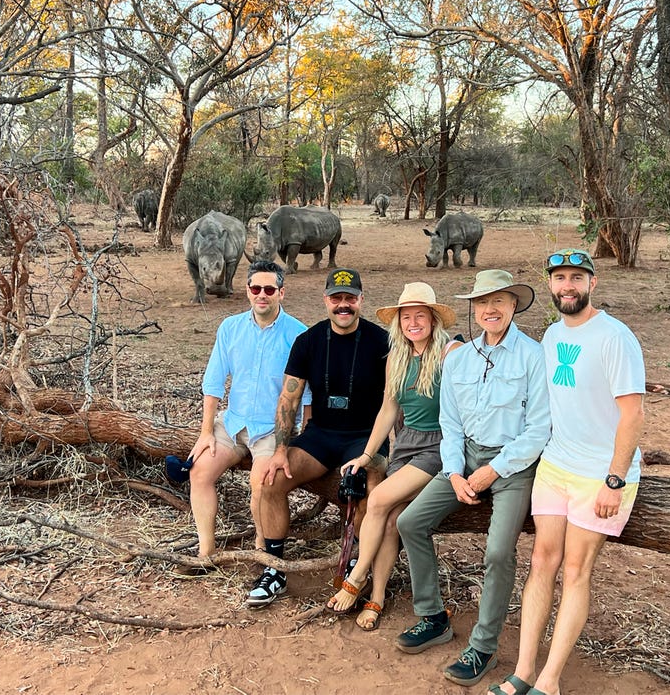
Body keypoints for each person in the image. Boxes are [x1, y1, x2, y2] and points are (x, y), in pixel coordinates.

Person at [488, 248, 645, 695]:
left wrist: (614, 480)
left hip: (601, 474)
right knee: (541, 561)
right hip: (556, 465)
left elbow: (632, 415)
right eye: (559, 278)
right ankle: (522, 671)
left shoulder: (615, 337)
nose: (567, 286)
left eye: (577, 277)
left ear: (592, 284)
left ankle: (551, 679)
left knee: (576, 570)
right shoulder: (553, 336)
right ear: (552, 285)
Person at [395, 269, 551, 688]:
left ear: (514, 305)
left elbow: (538, 430)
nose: (489, 309)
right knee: (409, 522)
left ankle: (483, 645)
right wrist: (454, 471)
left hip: (513, 465)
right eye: (482, 302)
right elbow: (450, 423)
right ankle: (433, 617)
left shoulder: (533, 356)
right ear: (473, 309)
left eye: (498, 301)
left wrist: (491, 471)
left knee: (499, 552)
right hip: (463, 459)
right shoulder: (459, 357)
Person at [249, 267, 390, 608]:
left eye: (350, 298)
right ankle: (275, 569)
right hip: (321, 435)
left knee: (370, 486)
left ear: (361, 301)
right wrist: (282, 449)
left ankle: (358, 562)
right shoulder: (308, 342)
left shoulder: (382, 341)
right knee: (270, 481)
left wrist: (376, 453)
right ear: (326, 300)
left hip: (364, 436)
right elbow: (289, 398)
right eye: (337, 298)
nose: (344, 305)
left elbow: (392, 400)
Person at [325, 282, 461, 630]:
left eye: (420, 315)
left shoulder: (450, 352)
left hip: (438, 445)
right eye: (406, 317)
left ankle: (355, 577)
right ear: (398, 322)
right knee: (389, 519)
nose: (413, 322)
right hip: (405, 445)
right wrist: (368, 454)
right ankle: (378, 596)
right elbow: (388, 409)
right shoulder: (397, 357)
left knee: (380, 498)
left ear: (433, 319)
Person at [182, 261, 310, 572]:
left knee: (261, 484)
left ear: (281, 292)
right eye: (256, 289)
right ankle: (206, 552)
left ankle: (261, 551)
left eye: (269, 289)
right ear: (247, 292)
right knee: (199, 473)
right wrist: (206, 431)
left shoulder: (299, 334)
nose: (262, 295)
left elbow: (306, 393)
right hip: (234, 422)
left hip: (272, 429)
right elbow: (213, 382)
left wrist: (305, 434)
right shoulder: (230, 328)